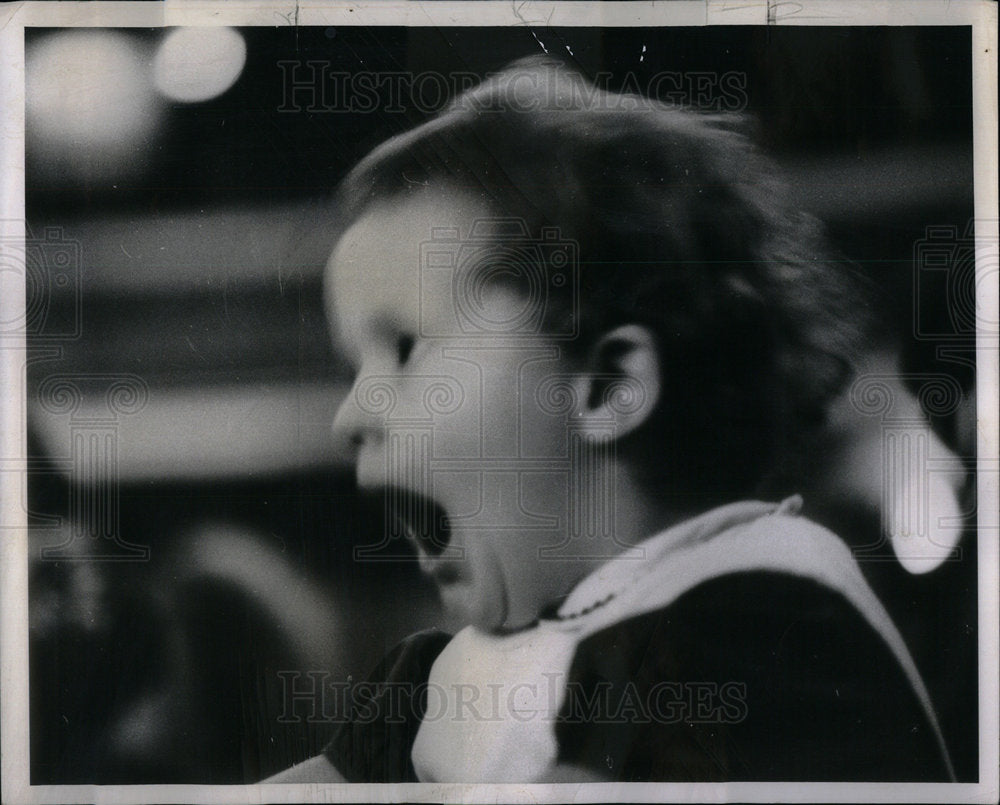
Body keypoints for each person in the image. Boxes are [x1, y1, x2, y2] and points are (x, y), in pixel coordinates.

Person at [268, 56, 958, 784]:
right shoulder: (430, 682)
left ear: (607, 385)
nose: (349, 415)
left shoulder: (757, 613)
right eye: (353, 370)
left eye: (405, 349)